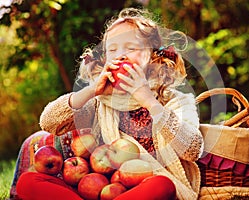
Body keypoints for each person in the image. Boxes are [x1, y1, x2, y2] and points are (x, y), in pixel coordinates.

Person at [11, 7, 203, 200]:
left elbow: (193, 148)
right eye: (112, 49)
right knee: (27, 182)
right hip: (98, 187)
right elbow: (49, 122)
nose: (120, 55)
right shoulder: (101, 100)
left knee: (163, 186)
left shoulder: (173, 99)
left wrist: (149, 101)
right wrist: (91, 90)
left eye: (131, 48)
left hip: (144, 186)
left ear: (152, 55)